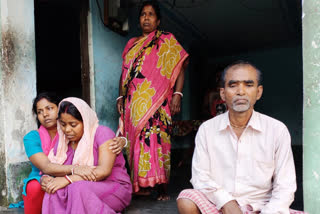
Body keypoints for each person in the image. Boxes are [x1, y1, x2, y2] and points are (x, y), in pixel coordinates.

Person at [177, 61, 306, 214]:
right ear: (223, 94)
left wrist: (269, 211)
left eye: (248, 85)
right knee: (186, 199)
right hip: (220, 206)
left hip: (263, 207)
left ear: (258, 92)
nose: (241, 91)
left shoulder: (277, 130)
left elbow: (286, 185)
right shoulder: (207, 129)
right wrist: (227, 202)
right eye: (233, 85)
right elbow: (200, 177)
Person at [117, 0, 189, 200]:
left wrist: (178, 94)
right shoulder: (131, 44)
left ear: (158, 21)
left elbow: (180, 67)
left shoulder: (166, 40)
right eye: (143, 14)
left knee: (157, 141)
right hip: (134, 104)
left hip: (158, 103)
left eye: (150, 14)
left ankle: (162, 188)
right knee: (136, 143)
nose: (146, 18)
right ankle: (142, 185)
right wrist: (121, 96)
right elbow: (124, 73)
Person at [22, 93, 125, 214]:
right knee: (54, 190)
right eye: (64, 125)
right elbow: (51, 166)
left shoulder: (102, 133)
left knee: (77, 188)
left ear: (85, 121)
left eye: (73, 125)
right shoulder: (64, 141)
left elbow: (103, 171)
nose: (67, 130)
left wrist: (67, 179)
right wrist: (47, 178)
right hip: (85, 185)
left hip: (112, 185)